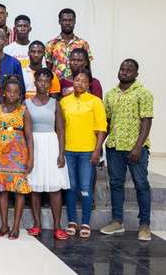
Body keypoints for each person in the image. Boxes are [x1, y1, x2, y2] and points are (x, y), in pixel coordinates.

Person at [100, 59, 154, 241]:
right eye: (122, 69)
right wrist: (99, 145)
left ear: (136, 74)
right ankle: (117, 222)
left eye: (128, 70)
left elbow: (147, 121)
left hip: (135, 149)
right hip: (114, 147)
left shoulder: (144, 94)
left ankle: (144, 225)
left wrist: (138, 146)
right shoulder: (110, 95)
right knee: (116, 184)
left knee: (141, 185)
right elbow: (106, 123)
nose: (124, 72)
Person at [60, 68, 107, 238]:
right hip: (69, 151)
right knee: (71, 187)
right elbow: (60, 127)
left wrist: (97, 151)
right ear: (73, 81)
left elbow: (101, 127)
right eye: (77, 80)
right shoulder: (64, 102)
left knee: (86, 187)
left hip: (88, 151)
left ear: (89, 84)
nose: (79, 83)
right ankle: (72, 221)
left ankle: (86, 222)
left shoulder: (95, 102)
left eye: (84, 81)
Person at [0, 75, 33, 240]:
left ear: (20, 95)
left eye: (16, 92)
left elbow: (29, 136)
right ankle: (4, 224)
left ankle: (15, 227)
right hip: (0, 154)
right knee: (2, 191)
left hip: (19, 155)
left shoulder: (24, 111)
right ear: (4, 93)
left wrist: (31, 159)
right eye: (9, 91)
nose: (12, 95)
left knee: (19, 191)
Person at [26, 68, 70, 240]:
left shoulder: (55, 104)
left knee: (54, 188)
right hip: (34, 146)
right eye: (40, 80)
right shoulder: (26, 103)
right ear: (35, 82)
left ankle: (57, 226)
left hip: (51, 145)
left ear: (51, 84)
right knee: (35, 187)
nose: (43, 83)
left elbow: (60, 130)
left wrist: (61, 153)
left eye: (46, 81)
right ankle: (37, 224)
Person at [45, 8, 93, 79]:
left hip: (78, 86)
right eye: (64, 20)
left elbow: (88, 68)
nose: (67, 23)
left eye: (70, 20)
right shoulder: (51, 44)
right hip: (57, 85)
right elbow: (48, 70)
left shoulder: (83, 44)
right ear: (59, 22)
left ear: (75, 21)